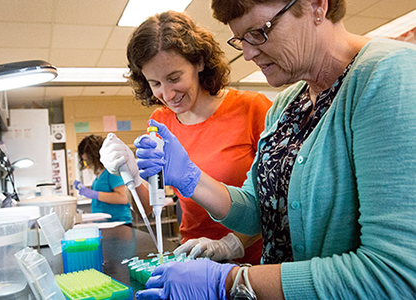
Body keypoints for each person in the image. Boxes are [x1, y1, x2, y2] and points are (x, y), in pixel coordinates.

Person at [132, 0, 416, 299]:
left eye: (258, 32)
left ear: (316, 6)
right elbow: (260, 212)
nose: (249, 52)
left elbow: (395, 273)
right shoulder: (286, 105)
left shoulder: (388, 77)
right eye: (241, 39)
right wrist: (192, 178)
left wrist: (230, 281)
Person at [100, 10, 272, 264]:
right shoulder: (161, 122)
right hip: (190, 260)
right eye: (155, 83)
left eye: (174, 78)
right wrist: (131, 175)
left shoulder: (253, 109)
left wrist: (231, 244)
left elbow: (277, 201)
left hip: (251, 263)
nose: (167, 94)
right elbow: (151, 210)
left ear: (199, 62)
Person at [74, 135, 132, 225]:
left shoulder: (112, 170)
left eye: (87, 159)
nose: (86, 162)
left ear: (95, 154)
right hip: (106, 223)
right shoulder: (100, 173)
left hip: (118, 223)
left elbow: (123, 198)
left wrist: (93, 194)